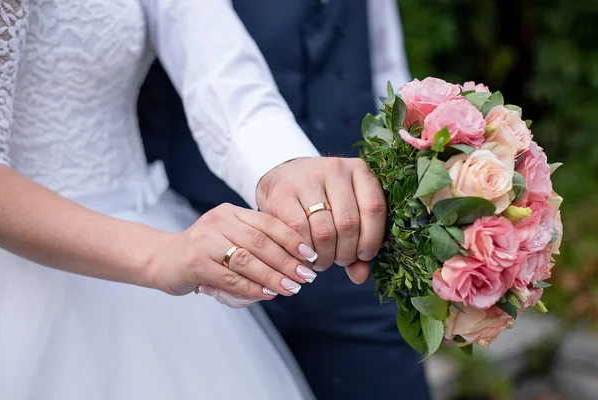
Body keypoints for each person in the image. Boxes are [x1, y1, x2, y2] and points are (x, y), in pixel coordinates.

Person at [0, 0, 388, 399]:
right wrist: (159, 254)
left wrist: (282, 167)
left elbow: (219, 68)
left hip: (153, 230)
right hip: (29, 273)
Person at [139, 1, 431, 399]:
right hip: (215, 256)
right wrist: (282, 168)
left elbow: (384, 65)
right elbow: (217, 74)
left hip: (354, 254)